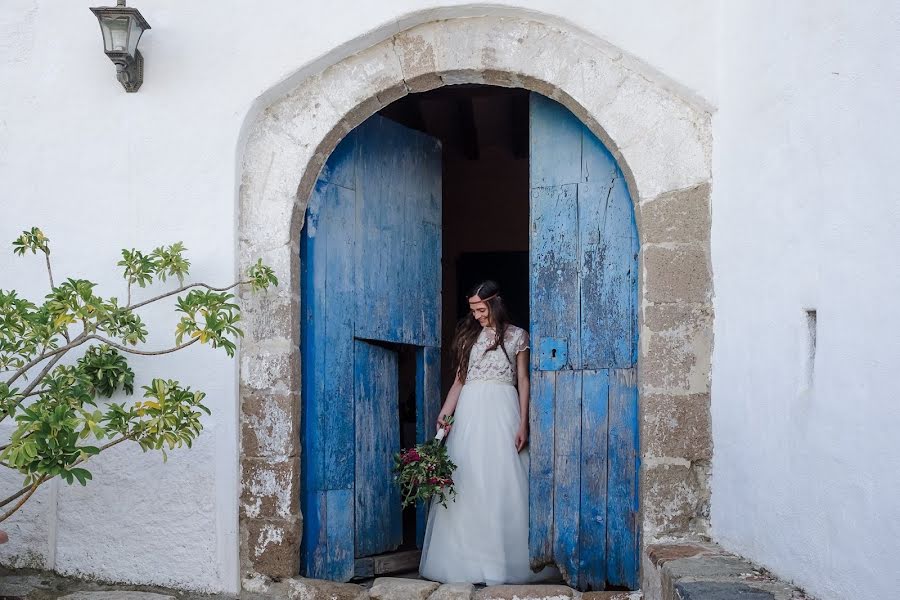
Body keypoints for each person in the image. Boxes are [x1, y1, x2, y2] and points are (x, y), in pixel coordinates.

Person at [419, 280, 558, 585]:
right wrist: (446, 410)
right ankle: (466, 561)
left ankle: (505, 561)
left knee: (500, 480)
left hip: (502, 410)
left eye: (481, 309)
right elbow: (459, 379)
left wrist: (523, 422)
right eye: (473, 309)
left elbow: (523, 381)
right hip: (470, 410)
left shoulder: (517, 337)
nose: (477, 315)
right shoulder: (470, 336)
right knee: (467, 479)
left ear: (494, 304)